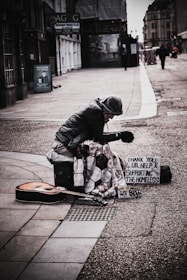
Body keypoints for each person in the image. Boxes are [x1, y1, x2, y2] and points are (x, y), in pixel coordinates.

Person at [47, 96, 141, 199]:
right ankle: (96, 184)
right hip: (63, 145)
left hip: (65, 142)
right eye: (111, 114)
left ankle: (104, 180)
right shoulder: (95, 112)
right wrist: (119, 135)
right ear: (106, 109)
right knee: (100, 153)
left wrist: (119, 135)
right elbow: (99, 136)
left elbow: (97, 135)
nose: (111, 118)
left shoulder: (96, 108)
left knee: (104, 150)